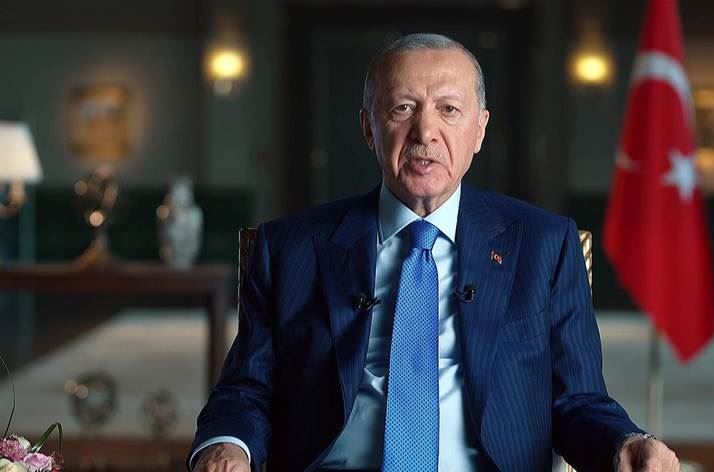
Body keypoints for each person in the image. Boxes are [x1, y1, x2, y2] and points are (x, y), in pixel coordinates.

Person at [189, 33, 680, 472]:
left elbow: (579, 401)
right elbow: (246, 389)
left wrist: (625, 442)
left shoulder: (544, 246)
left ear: (479, 129)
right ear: (368, 128)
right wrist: (227, 444)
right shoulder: (290, 247)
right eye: (403, 108)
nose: (425, 132)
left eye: (448, 109)